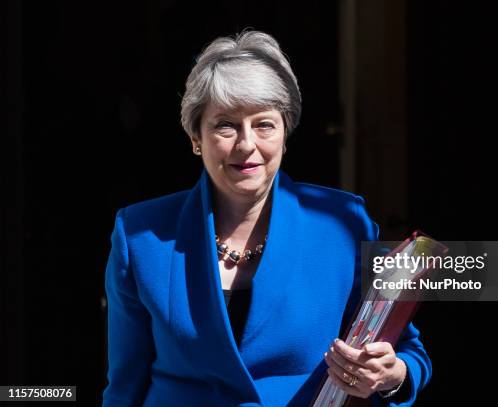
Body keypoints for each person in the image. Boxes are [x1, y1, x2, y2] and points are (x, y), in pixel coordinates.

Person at [102, 30, 431, 407]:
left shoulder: (343, 223)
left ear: (285, 134)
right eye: (225, 125)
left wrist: (391, 375)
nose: (246, 144)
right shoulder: (141, 235)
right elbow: (125, 383)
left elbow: (407, 353)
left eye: (264, 124)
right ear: (196, 137)